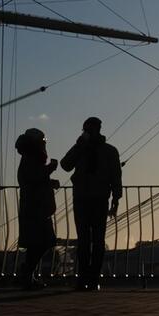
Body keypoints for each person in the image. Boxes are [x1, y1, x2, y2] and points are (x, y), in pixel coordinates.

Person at [61, 117, 122, 291]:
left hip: (99, 198)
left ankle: (93, 277)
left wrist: (116, 199)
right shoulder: (81, 149)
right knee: (84, 240)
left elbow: (116, 177)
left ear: (98, 129)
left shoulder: (110, 151)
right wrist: (79, 146)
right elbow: (65, 165)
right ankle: (84, 277)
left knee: (97, 240)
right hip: (82, 198)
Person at [16, 128, 59, 290]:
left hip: (38, 207)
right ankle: (27, 272)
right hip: (35, 208)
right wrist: (51, 168)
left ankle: (28, 273)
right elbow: (33, 178)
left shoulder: (31, 157)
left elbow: (35, 179)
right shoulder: (31, 157)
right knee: (43, 241)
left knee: (40, 242)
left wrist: (49, 181)